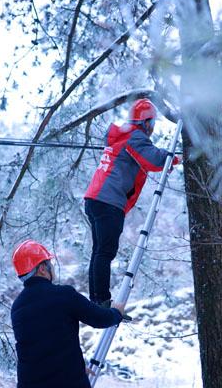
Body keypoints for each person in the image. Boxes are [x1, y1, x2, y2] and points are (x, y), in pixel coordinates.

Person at [84, 98, 180, 306]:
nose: (152, 128)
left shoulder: (124, 136)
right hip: (108, 201)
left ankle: (96, 299)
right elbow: (155, 159)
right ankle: (101, 301)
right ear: (145, 122)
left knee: (99, 251)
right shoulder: (135, 137)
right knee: (105, 252)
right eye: (152, 123)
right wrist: (175, 158)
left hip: (95, 199)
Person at [10, 239, 125, 388]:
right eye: (49, 263)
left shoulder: (17, 308)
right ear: (42, 269)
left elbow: (40, 346)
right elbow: (100, 319)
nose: (52, 267)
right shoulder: (63, 295)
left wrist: (76, 366)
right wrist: (116, 312)